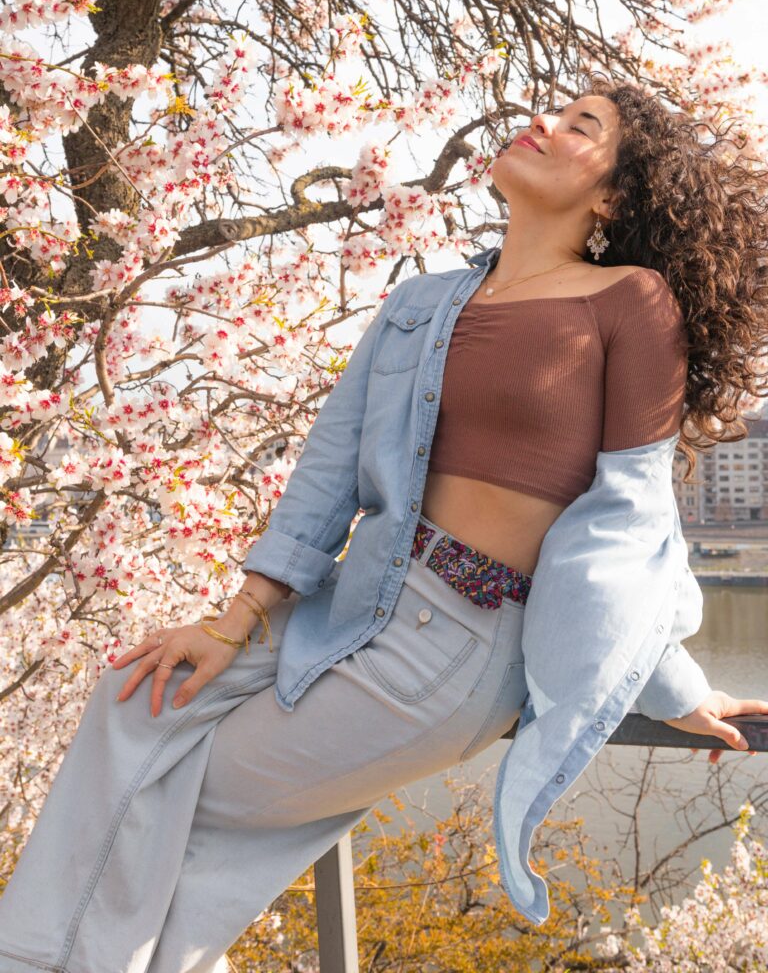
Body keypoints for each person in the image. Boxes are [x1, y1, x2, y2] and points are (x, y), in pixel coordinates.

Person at [2, 75, 768, 971]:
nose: (541, 122)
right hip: (348, 601)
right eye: (549, 109)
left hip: (457, 648)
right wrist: (231, 620)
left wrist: (675, 688)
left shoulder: (628, 303)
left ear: (612, 195)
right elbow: (327, 476)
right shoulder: (416, 305)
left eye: (580, 125)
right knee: (135, 702)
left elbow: (628, 526)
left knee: (171, 794)